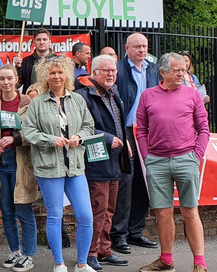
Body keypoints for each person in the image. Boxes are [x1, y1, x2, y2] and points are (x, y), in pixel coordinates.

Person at [136, 53, 210, 272]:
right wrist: (147, 157)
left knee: (190, 211)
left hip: (186, 158)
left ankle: (199, 263)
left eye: (183, 70)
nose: (181, 74)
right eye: (177, 70)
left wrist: (196, 155)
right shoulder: (148, 96)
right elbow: (141, 129)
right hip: (157, 161)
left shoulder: (193, 95)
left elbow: (203, 128)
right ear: (163, 72)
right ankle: (166, 260)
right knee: (162, 213)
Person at [22, 57, 95, 272]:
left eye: (60, 72)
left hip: (74, 166)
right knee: (55, 215)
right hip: (49, 166)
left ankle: (82, 263)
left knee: (85, 216)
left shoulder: (78, 100)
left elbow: (89, 126)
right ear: (46, 76)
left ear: (67, 75)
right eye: (52, 73)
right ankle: (59, 263)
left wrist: (79, 137)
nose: (56, 76)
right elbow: (28, 131)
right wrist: (50, 140)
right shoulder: (36, 102)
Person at [76, 55, 131, 271]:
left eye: (113, 70)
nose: (111, 74)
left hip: (116, 159)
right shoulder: (83, 95)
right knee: (97, 208)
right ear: (94, 71)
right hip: (95, 159)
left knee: (109, 208)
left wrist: (126, 143)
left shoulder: (114, 92)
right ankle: (89, 253)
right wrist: (109, 139)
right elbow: (82, 127)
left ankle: (104, 251)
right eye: (106, 70)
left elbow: (120, 124)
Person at [0, 64, 38, 272]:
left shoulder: (28, 103)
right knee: (6, 210)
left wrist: (14, 138)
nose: (6, 82)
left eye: (9, 78)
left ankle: (29, 254)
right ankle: (15, 251)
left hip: (21, 161)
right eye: (2, 79)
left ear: (17, 79)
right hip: (1, 161)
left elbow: (34, 131)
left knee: (24, 210)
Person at [112, 33, 159, 254]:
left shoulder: (153, 69)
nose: (141, 50)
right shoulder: (119, 69)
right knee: (125, 182)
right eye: (137, 46)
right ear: (127, 48)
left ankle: (136, 231)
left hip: (149, 132)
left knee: (143, 182)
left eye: (144, 46)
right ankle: (119, 234)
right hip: (127, 131)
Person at [14, 28, 57, 93]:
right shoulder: (26, 61)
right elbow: (17, 84)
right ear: (34, 42)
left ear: (50, 42)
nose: (42, 42)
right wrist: (18, 67)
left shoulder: (57, 61)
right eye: (38, 40)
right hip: (30, 99)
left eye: (44, 39)